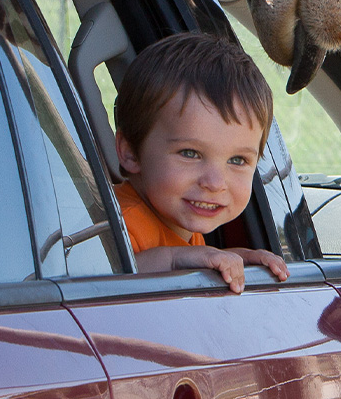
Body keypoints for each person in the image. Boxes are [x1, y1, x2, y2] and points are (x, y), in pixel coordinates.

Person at [112, 33, 290, 293]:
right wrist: (176, 260)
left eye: (238, 160)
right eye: (190, 153)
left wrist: (241, 259)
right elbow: (100, 279)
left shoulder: (178, 218)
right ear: (130, 152)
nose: (215, 183)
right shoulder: (118, 222)